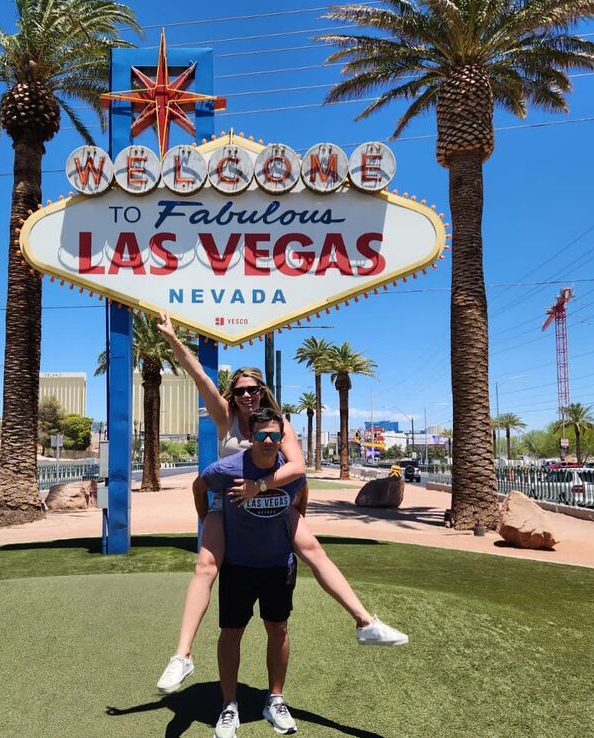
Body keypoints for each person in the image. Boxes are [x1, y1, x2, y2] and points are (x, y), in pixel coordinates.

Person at [156, 313, 407, 696]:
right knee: (206, 565)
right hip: (229, 508)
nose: (245, 395)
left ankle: (364, 623)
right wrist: (174, 339)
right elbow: (200, 378)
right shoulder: (226, 419)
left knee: (314, 550)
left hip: (272, 503)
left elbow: (298, 467)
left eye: (252, 388)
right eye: (239, 390)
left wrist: (261, 487)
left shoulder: (279, 422)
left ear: (262, 391)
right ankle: (182, 656)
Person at [201, 408, 305, 737]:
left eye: (275, 435)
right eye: (262, 435)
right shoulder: (228, 468)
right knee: (232, 633)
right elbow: (197, 486)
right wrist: (210, 522)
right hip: (239, 566)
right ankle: (229, 706)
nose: (269, 441)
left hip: (278, 565)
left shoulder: (289, 471)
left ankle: (275, 700)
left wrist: (294, 526)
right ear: (251, 437)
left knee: (279, 629)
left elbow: (302, 493)